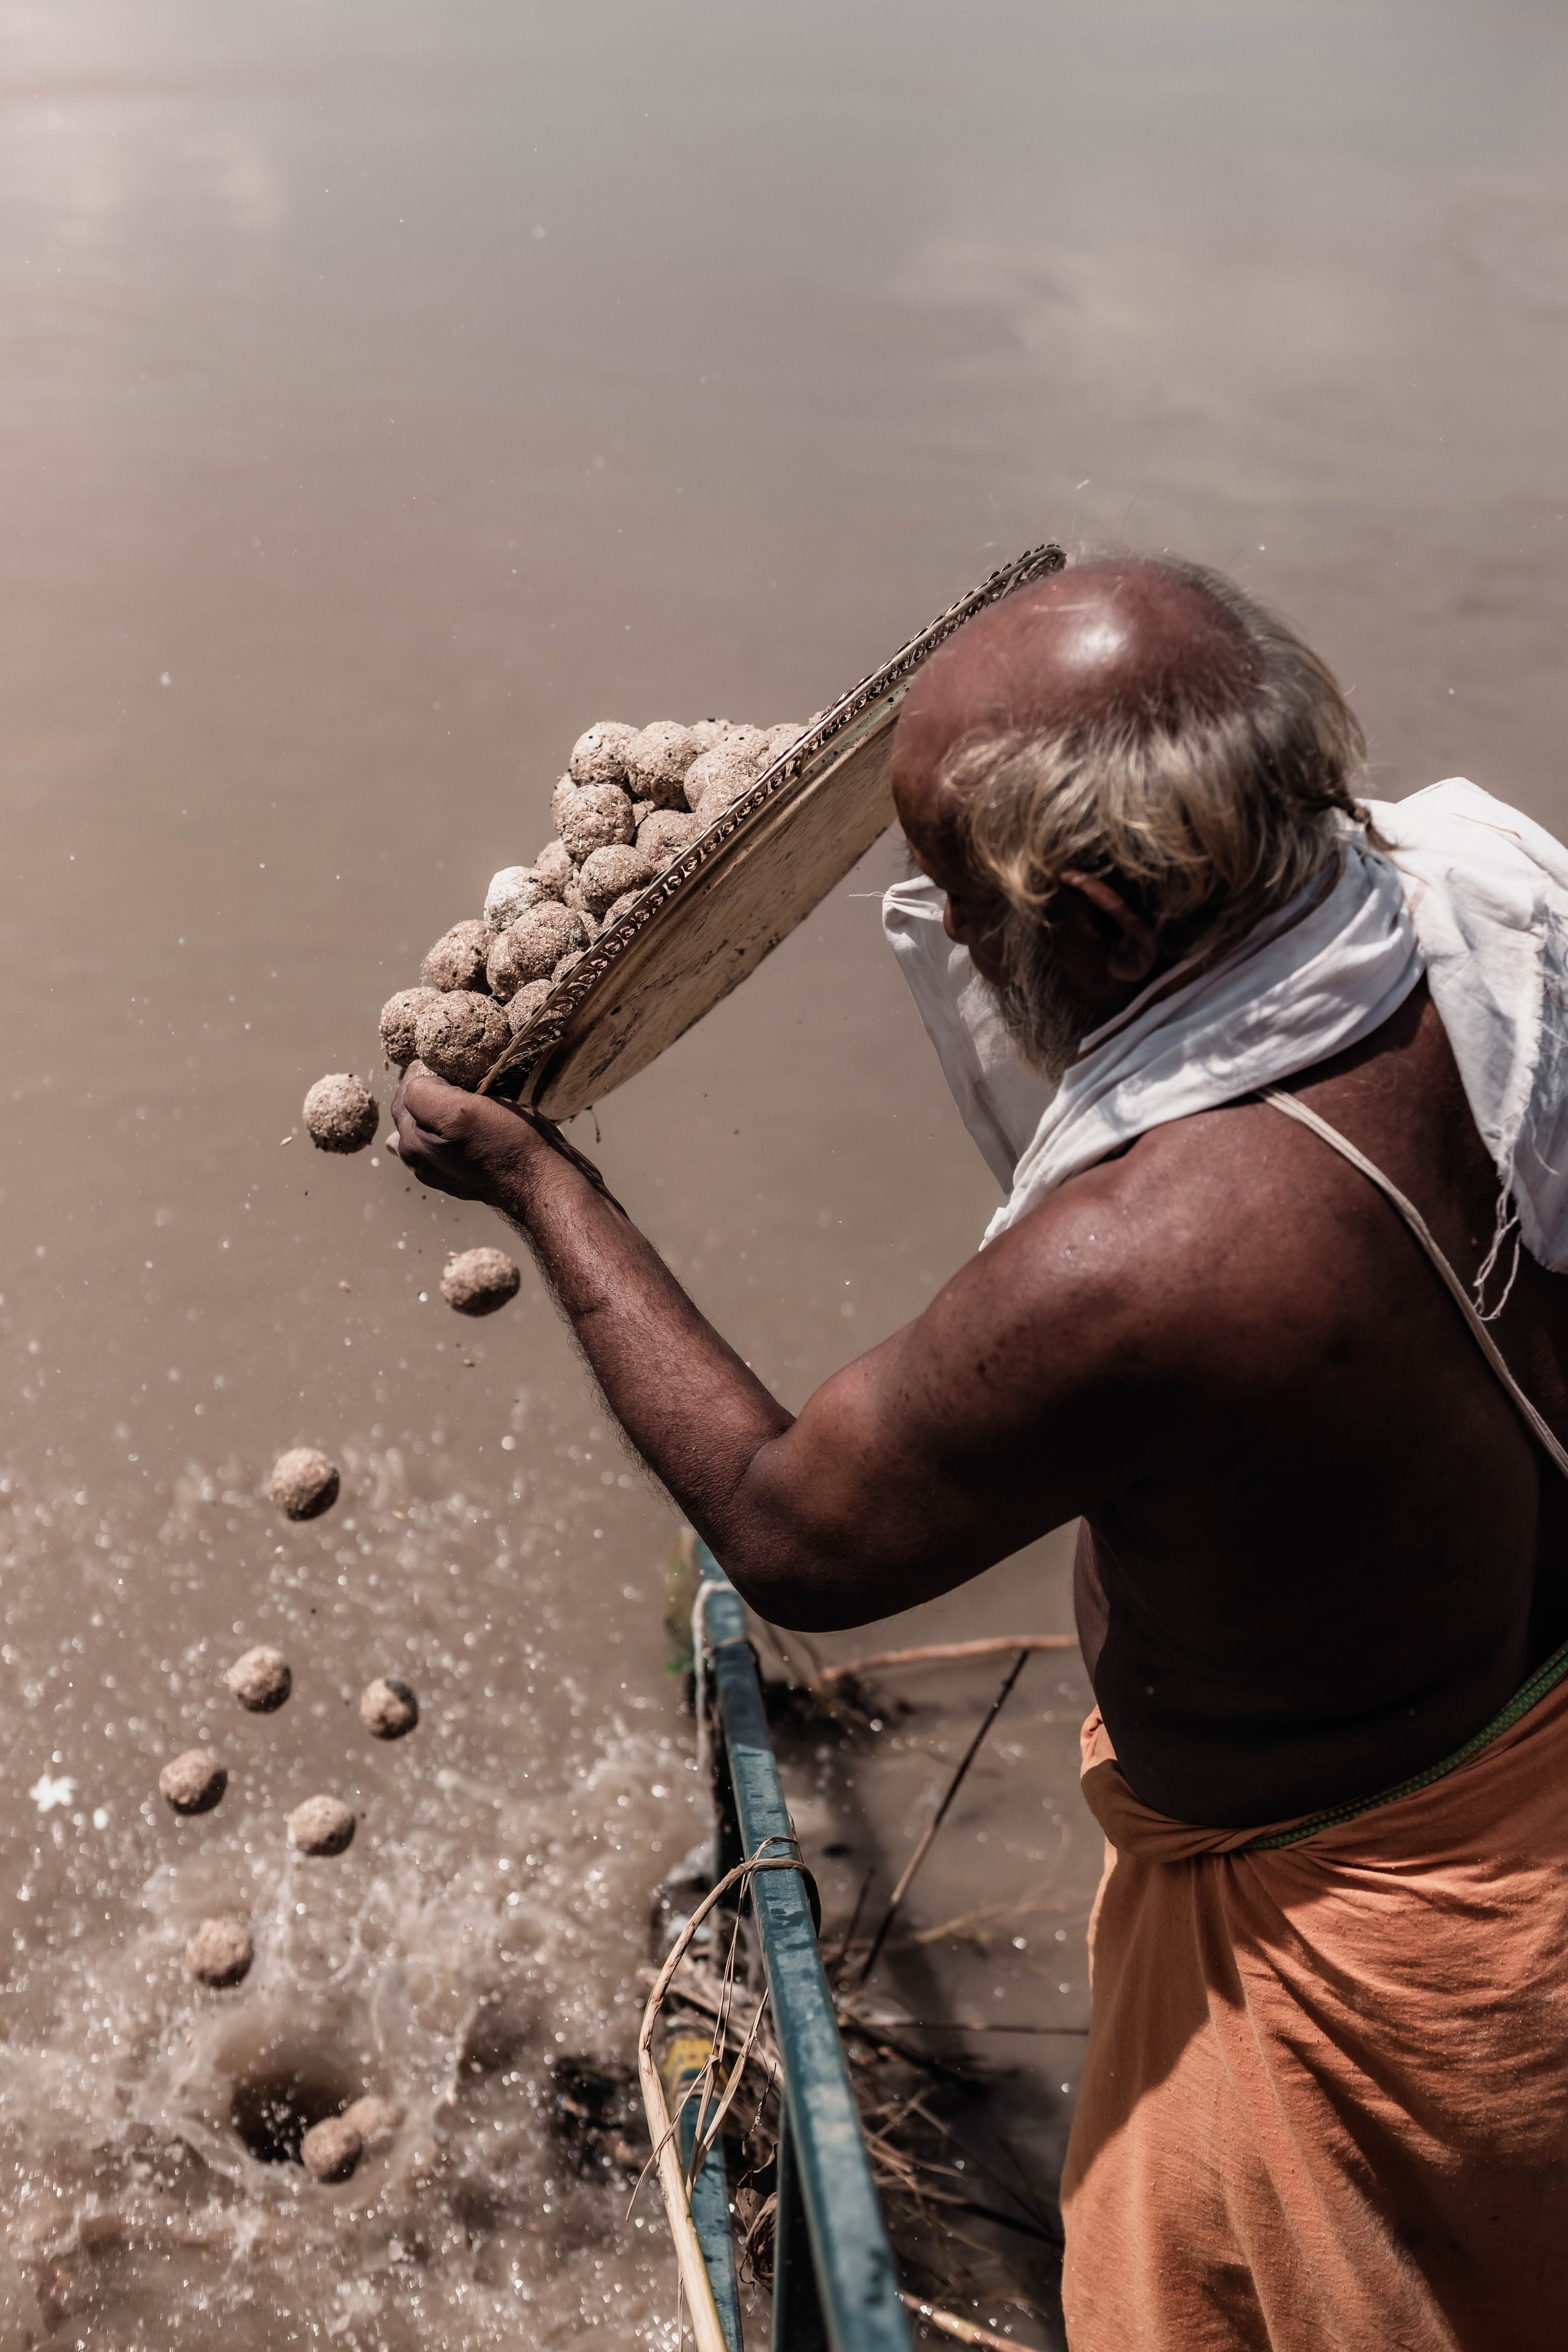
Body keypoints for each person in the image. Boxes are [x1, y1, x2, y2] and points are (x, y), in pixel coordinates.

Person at [391, 554, 1568, 2351]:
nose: (933, 927)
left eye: (947, 885)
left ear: (1097, 922)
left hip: (1367, 1942)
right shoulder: (1476, 899)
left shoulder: (1160, 1258)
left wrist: (543, 1185)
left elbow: (797, 1533)